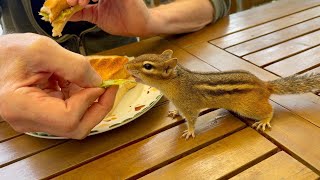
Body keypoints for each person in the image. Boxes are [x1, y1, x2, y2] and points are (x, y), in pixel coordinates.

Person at [0, 0, 231, 139]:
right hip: (27, 145)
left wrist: (150, 20)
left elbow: (217, 4)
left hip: (146, 131)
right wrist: (5, 53)